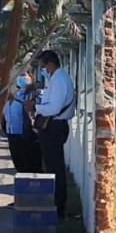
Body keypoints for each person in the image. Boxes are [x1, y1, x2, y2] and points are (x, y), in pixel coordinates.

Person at [24, 50, 75, 218]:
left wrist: (36, 108)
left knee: (55, 168)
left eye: (42, 67)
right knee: (52, 166)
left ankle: (59, 207)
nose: (42, 70)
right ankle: (56, 203)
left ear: (50, 65)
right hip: (52, 126)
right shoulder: (56, 79)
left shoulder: (59, 80)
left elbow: (54, 108)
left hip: (55, 127)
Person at [4, 69, 42, 174]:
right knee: (19, 166)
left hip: (27, 136)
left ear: (31, 77)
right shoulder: (13, 93)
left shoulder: (36, 92)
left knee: (30, 166)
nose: (20, 78)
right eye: (18, 75)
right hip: (12, 135)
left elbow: (38, 111)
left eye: (23, 75)